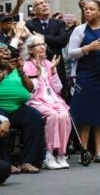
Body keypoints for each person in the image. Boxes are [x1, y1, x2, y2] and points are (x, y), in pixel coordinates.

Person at [0, 42, 45, 173]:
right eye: (1, 51)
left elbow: (30, 88)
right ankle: (5, 162)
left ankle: (28, 161)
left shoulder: (15, 70)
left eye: (7, 50)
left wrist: (21, 71)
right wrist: (6, 72)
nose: (6, 53)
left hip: (16, 108)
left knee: (34, 116)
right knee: (0, 120)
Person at [67, 0, 100, 163]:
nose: (87, 11)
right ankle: (84, 150)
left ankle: (98, 151)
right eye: (86, 9)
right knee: (85, 115)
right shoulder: (79, 30)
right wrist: (87, 48)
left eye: (92, 9)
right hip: (85, 77)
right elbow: (70, 54)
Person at [23, 34, 71, 169]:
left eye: (43, 44)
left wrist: (54, 71)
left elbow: (58, 88)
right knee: (53, 116)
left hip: (53, 100)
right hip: (36, 101)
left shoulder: (49, 63)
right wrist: (37, 74)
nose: (42, 47)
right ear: (30, 49)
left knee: (64, 115)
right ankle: (48, 154)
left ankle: (61, 154)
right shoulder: (27, 65)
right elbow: (31, 91)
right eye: (38, 45)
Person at [27, 0, 69, 97]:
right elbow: (32, 43)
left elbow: (62, 41)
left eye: (46, 2)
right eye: (40, 3)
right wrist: (53, 40)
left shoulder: (59, 23)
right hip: (37, 66)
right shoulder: (30, 24)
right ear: (35, 9)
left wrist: (41, 37)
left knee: (60, 96)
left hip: (56, 66)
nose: (44, 5)